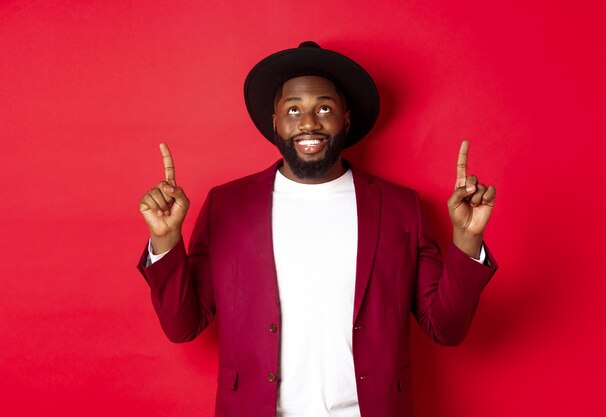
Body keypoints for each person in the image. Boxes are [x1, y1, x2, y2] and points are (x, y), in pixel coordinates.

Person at [137, 41, 497, 417]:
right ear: (275, 121)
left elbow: (446, 329)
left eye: (323, 107)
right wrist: (165, 239)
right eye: (294, 110)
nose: (308, 122)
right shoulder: (227, 205)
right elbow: (183, 326)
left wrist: (467, 238)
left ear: (345, 118)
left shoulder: (400, 208)